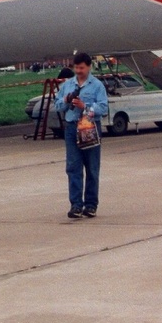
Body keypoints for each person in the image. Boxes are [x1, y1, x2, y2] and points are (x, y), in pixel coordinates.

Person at [54, 52, 109, 219]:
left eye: (81, 68)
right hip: (72, 128)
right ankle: (76, 205)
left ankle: (91, 205)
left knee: (92, 167)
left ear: (89, 67)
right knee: (73, 167)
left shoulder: (97, 85)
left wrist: (85, 106)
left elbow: (103, 107)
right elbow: (56, 105)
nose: (78, 71)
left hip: (90, 127)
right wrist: (66, 100)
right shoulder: (68, 84)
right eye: (76, 67)